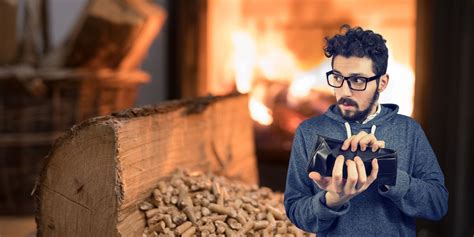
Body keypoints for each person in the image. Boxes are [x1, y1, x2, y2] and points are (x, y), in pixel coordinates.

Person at [283, 25, 448, 236]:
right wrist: (332, 200)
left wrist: (384, 169)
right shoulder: (308, 131)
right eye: (337, 77)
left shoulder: (409, 130)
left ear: (382, 83)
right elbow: (296, 211)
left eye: (357, 80)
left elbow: (438, 204)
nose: (344, 91)